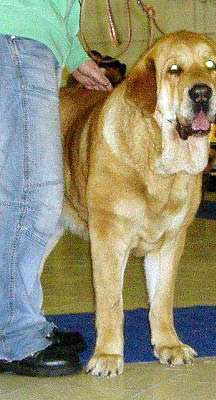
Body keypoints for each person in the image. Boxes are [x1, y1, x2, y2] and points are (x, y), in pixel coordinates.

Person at [0, 1, 112, 377]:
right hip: (18, 36)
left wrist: (73, 53)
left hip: (29, 39)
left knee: (21, 193)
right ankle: (17, 334)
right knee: (33, 195)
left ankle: (16, 323)